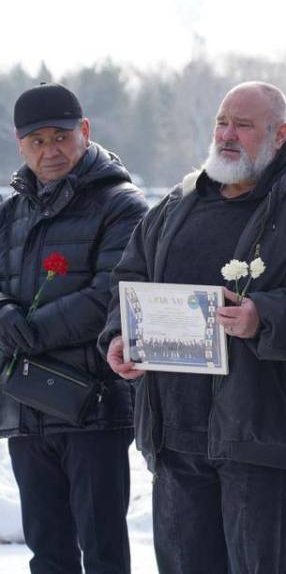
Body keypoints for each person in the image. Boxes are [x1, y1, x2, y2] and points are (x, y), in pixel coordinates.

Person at [100, 82, 286, 574]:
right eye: (221, 122)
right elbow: (130, 276)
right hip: (176, 437)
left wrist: (264, 317)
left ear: (281, 134)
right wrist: (120, 334)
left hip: (267, 438)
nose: (227, 134)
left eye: (244, 125)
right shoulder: (177, 203)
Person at [0, 82, 148, 573]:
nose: (51, 150)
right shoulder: (11, 212)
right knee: (47, 552)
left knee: (103, 550)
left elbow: (113, 292)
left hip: (94, 408)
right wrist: (5, 315)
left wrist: (31, 331)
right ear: (20, 143)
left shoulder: (121, 205)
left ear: (84, 131)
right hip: (26, 405)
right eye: (37, 141)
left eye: (61, 136)